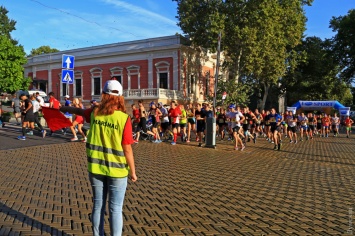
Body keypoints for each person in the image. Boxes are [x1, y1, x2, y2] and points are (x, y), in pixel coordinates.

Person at [59, 79, 137, 236]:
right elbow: (127, 148)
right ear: (121, 97)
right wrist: (133, 172)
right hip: (118, 171)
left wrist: (61, 107)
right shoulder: (123, 118)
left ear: (103, 95)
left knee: (98, 205)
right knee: (115, 209)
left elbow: (79, 112)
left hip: (95, 168)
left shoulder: (95, 113)